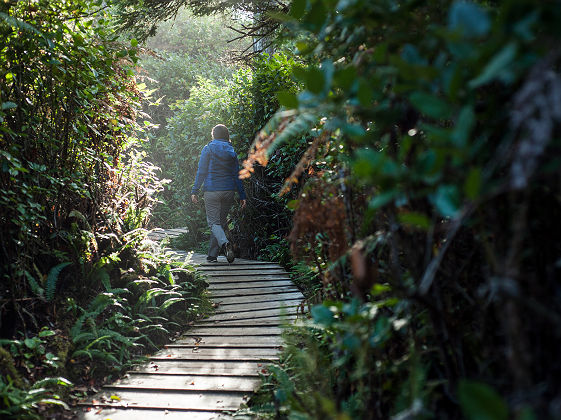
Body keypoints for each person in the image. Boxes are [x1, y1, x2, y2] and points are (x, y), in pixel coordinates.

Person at [191, 124, 247, 263]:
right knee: (220, 223)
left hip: (211, 190)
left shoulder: (208, 148)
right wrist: (242, 195)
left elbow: (201, 171)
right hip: (228, 191)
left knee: (213, 223)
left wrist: (195, 190)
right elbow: (236, 174)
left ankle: (225, 243)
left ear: (214, 135)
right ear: (226, 135)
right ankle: (212, 256)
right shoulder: (231, 150)